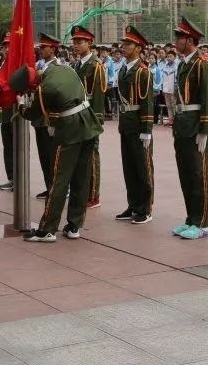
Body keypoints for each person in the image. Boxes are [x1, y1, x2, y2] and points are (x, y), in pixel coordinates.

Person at [15, 55, 104, 242]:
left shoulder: (43, 89)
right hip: (88, 124)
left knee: (59, 180)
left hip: (69, 130)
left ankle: (47, 230)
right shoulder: (64, 68)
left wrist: (21, 104)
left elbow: (33, 114)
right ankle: (74, 226)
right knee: (81, 177)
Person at [170, 17, 208, 240]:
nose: (175, 41)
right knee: (186, 173)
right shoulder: (184, 63)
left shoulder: (202, 63)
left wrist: (205, 129)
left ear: (189, 40)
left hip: (196, 123)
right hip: (183, 124)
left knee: (199, 174)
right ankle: (191, 218)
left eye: (179, 37)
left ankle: (202, 222)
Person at [114, 26, 155, 225]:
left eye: (128, 44)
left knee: (143, 168)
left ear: (138, 48)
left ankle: (145, 208)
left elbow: (147, 101)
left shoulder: (143, 71)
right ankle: (133, 204)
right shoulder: (123, 69)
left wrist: (147, 130)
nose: (124, 47)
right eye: (124, 43)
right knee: (129, 167)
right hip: (126, 123)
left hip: (139, 125)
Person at [71, 25, 106, 209]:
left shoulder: (96, 65)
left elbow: (99, 95)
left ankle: (93, 195)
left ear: (89, 44)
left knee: (91, 156)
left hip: (90, 115)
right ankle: (82, 192)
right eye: (74, 42)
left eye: (80, 42)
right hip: (77, 115)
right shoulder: (77, 64)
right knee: (80, 157)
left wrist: (97, 120)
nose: (76, 45)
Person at [31, 33, 62, 200]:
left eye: (44, 47)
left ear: (53, 49)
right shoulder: (42, 66)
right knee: (44, 156)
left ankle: (57, 188)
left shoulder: (57, 67)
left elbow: (55, 95)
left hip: (50, 119)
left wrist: (53, 121)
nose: (41, 50)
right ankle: (49, 185)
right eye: (40, 47)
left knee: (53, 156)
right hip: (40, 119)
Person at [0, 33, 13, 191]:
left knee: (17, 147)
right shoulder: (3, 65)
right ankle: (12, 177)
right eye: (5, 46)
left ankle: (19, 177)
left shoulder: (20, 64)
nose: (7, 49)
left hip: (16, 113)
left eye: (10, 46)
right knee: (7, 147)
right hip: (5, 112)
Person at [160, 50, 177, 126]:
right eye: (168, 57)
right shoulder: (165, 66)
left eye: (171, 56)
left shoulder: (176, 66)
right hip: (166, 89)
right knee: (168, 105)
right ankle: (170, 120)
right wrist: (163, 88)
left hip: (173, 89)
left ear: (174, 57)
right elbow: (163, 78)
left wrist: (176, 88)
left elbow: (176, 79)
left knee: (174, 105)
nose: (169, 58)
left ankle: (176, 120)